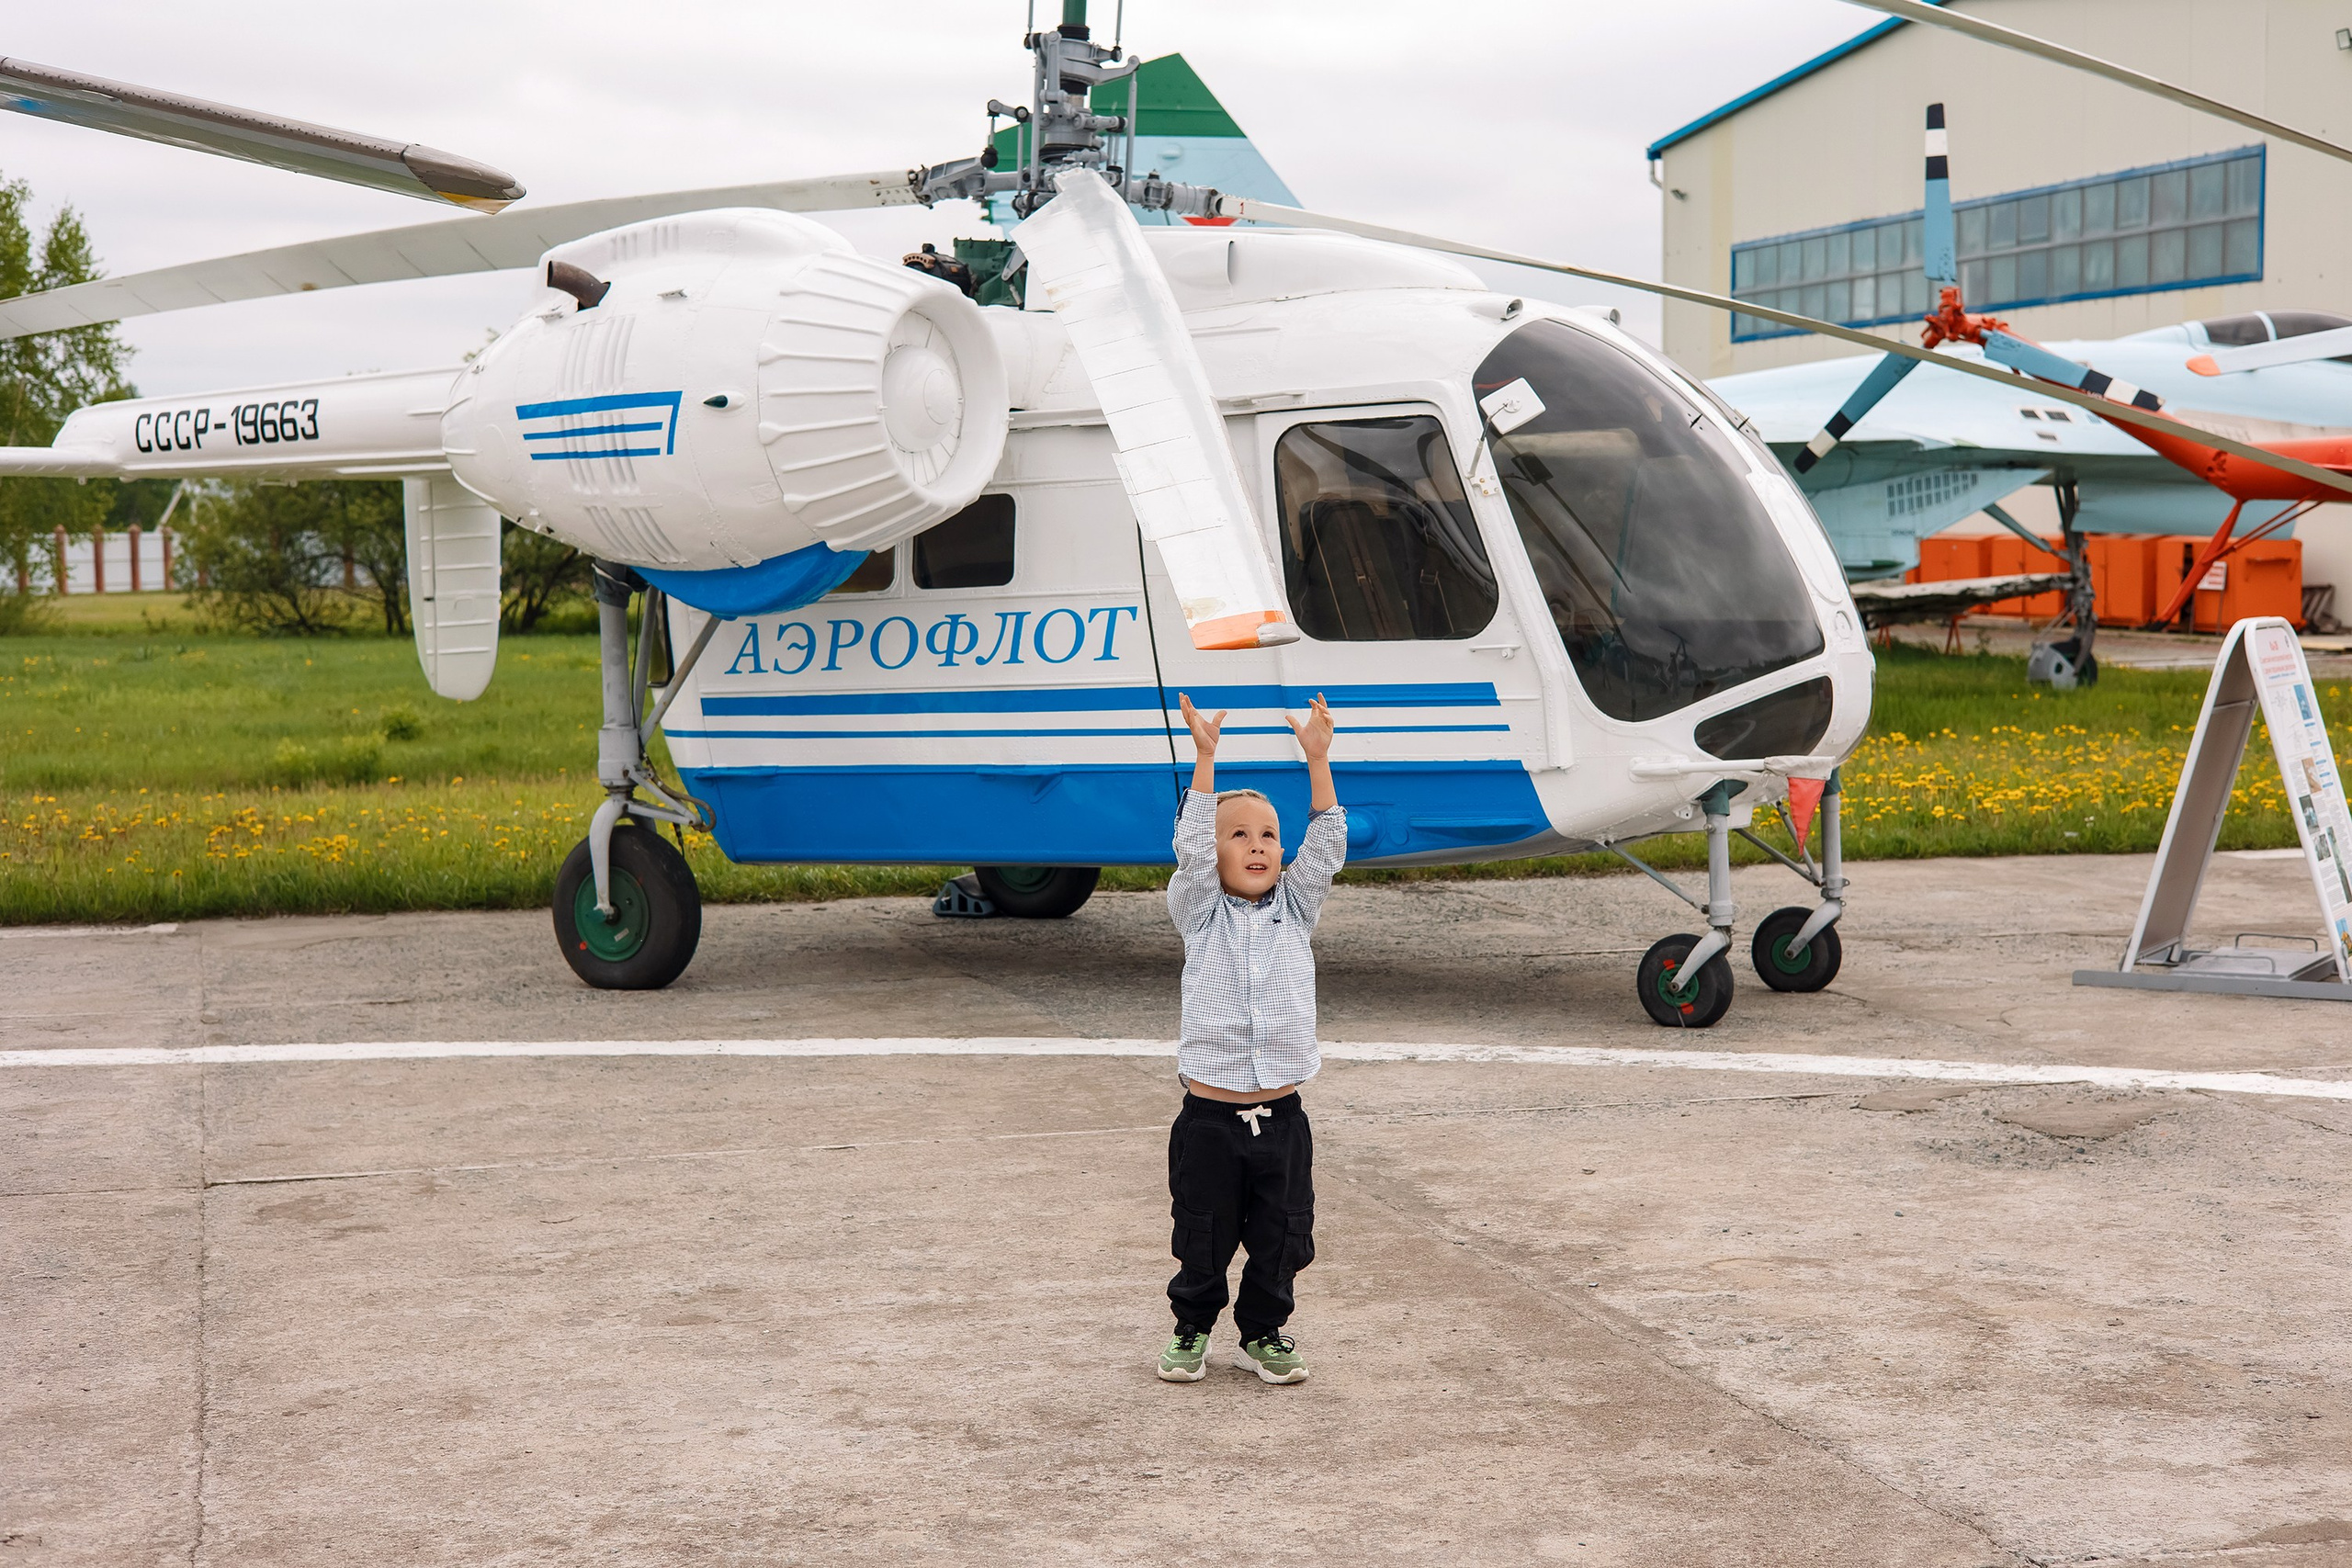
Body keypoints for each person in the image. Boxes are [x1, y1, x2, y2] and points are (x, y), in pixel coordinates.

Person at [1156, 691, 1344, 1386]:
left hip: (1284, 1118)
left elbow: (1325, 848)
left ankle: (1263, 1332)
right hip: (1210, 1120)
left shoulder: (1295, 910)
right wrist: (1205, 759)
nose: (1257, 844)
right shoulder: (1198, 910)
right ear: (1211, 849)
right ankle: (1192, 1327)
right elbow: (1191, 850)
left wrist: (1316, 760)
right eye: (1238, 834)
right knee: (1202, 1234)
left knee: (1281, 1235)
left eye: (1267, 833)